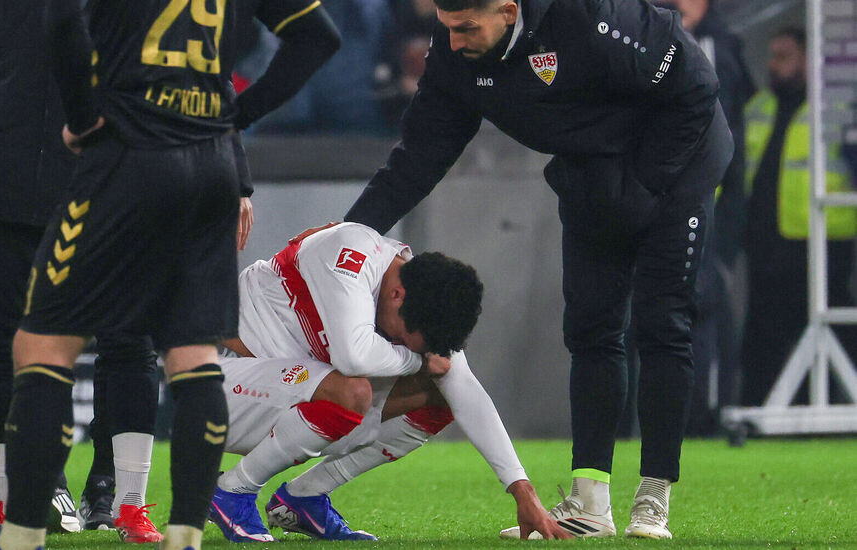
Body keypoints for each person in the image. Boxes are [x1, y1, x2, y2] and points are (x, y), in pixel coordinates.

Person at [343, 0, 732, 540]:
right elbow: (418, 156)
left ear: (508, 11)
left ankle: (654, 496)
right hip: (593, 168)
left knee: (663, 322)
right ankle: (590, 503)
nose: (452, 42)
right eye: (446, 28)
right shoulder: (457, 50)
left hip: (676, 164)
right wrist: (345, 238)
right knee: (591, 328)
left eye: (466, 28)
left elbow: (695, 82)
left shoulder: (587, 16)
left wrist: (648, 183)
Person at [0, 0, 341, 548]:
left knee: (43, 346)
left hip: (125, 155)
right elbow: (319, 37)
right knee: (193, 355)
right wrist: (231, 119)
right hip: (211, 166)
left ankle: (21, 536)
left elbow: (60, 18)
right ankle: (185, 537)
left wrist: (82, 116)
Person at [0, 0, 174, 540]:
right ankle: (7, 499)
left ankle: (125, 502)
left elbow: (191, 64)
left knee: (129, 339)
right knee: (2, 340)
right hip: (14, 175)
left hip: (118, 177)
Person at [207, 222, 569, 542]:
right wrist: (417, 361)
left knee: (439, 398)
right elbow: (353, 356)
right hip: (213, 381)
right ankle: (232, 490)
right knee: (352, 392)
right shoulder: (350, 256)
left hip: (279, 392)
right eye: (407, 340)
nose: (405, 347)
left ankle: (305, 498)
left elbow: (465, 390)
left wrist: (522, 490)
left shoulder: (419, 294)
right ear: (397, 295)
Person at [740, 27, 857, 407]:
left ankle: (826, 409)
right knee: (763, 341)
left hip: (822, 244)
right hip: (767, 245)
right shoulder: (759, 107)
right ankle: (760, 413)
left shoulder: (837, 111)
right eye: (772, 55)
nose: (773, 65)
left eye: (784, 56)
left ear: (809, 59)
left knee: (832, 331)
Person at [654, 0, 754, 435]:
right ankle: (657, 420)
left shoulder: (717, 47)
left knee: (700, 307)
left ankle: (703, 416)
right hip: (655, 200)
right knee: (649, 315)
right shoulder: (646, 34)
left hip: (699, 204)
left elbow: (728, 141)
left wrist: (727, 230)